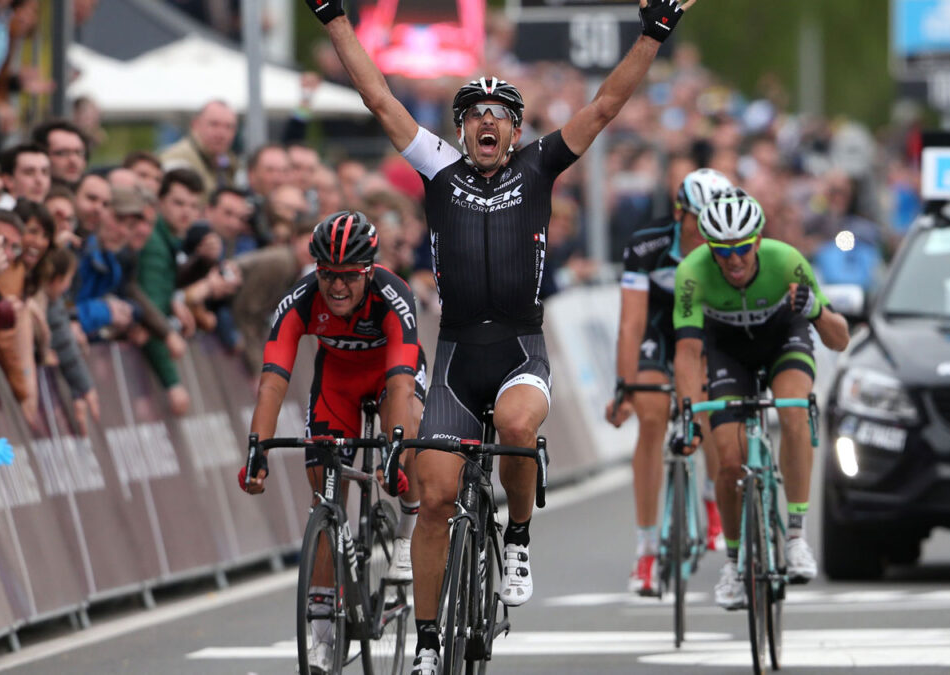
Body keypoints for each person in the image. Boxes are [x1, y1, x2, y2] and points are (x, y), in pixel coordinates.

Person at [306, 0, 697, 670]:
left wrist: (654, 32)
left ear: (516, 130)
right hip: (457, 353)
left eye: (500, 114)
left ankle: (516, 536)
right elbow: (377, 95)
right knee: (433, 499)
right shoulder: (437, 168)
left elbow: (604, 105)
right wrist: (334, 17)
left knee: (518, 426)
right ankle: (429, 644)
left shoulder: (539, 165)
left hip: (520, 346)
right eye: (474, 114)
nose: (487, 121)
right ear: (459, 130)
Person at [239, 211, 425, 673]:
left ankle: (407, 529)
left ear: (367, 271)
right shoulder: (300, 300)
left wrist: (396, 447)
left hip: (391, 377)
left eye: (347, 277)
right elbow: (272, 382)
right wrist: (256, 447)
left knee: (409, 439)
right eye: (327, 276)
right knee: (323, 490)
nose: (336, 287)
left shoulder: (392, 295)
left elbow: (402, 385)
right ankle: (323, 630)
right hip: (337, 383)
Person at [672, 187, 850, 609]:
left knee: (792, 412)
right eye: (722, 251)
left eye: (742, 249)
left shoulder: (787, 260)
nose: (733, 260)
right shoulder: (692, 272)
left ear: (758, 241)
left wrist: (816, 311)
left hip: (782, 340)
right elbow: (687, 352)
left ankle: (795, 536)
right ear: (709, 248)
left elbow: (839, 338)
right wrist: (686, 411)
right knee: (730, 461)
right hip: (727, 352)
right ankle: (735, 563)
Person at [606, 168, 731, 596]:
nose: (709, 232)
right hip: (658, 329)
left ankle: (714, 500)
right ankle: (646, 550)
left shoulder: (724, 246)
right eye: (701, 220)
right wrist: (624, 387)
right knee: (652, 414)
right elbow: (632, 323)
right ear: (680, 213)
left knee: (711, 404)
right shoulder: (647, 245)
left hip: (706, 328)